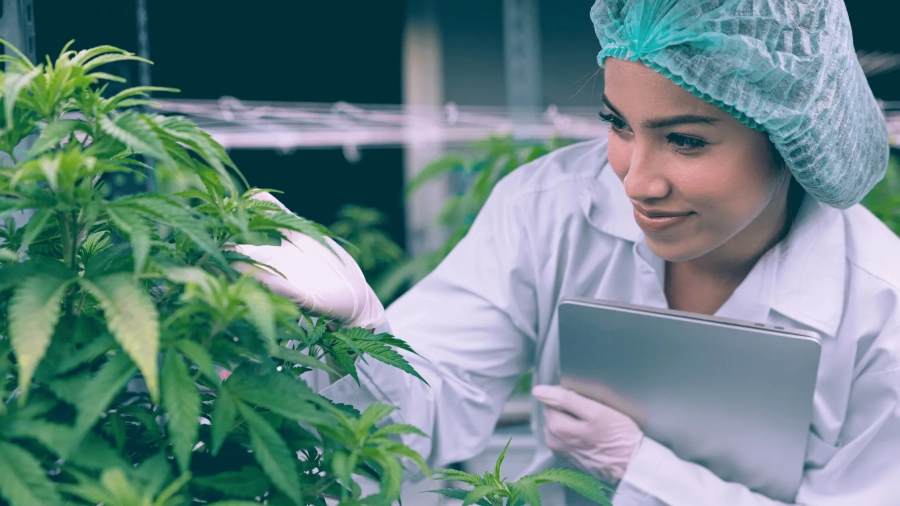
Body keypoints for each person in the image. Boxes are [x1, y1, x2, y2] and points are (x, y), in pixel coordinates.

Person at [232, 1, 900, 504]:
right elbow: (419, 422)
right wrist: (354, 337)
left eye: (686, 141)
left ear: (792, 136)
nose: (636, 180)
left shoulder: (881, 308)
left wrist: (645, 468)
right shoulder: (551, 207)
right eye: (617, 124)